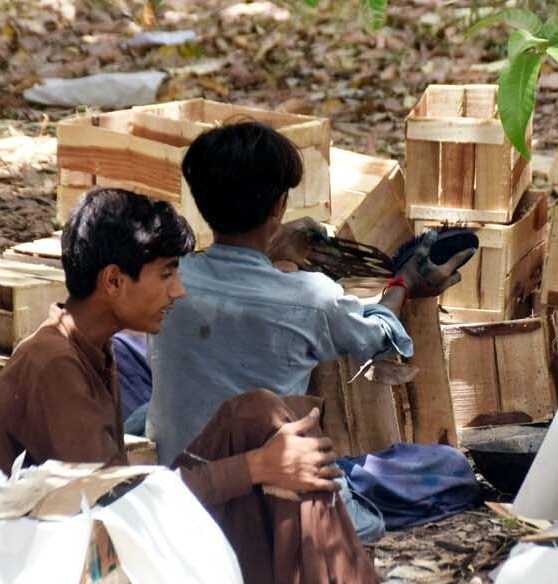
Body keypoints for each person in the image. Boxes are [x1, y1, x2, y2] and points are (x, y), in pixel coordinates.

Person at [0, 188, 468, 584]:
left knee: (258, 413)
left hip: (121, 561)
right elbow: (111, 515)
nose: (180, 289)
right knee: (264, 441)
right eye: (168, 273)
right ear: (114, 283)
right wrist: (256, 469)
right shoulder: (53, 365)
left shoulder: (81, 345)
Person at [145, 122, 452, 467]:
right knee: (446, 465)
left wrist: (271, 250)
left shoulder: (162, 280)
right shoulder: (312, 298)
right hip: (266, 489)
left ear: (200, 203)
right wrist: (404, 284)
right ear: (279, 206)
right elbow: (378, 337)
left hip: (176, 478)